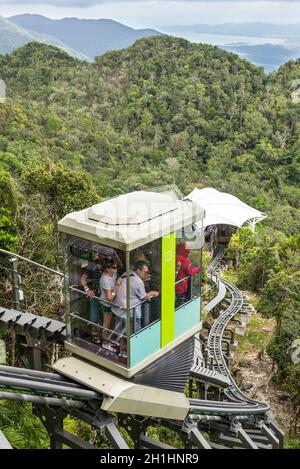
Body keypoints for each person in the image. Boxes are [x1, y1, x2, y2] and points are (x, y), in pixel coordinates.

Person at [112, 261, 159, 356]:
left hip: (118, 310)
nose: (146, 274)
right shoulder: (137, 281)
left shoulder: (126, 273)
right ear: (138, 270)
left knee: (122, 334)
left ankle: (122, 351)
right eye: (145, 272)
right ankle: (136, 354)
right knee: (136, 335)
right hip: (130, 314)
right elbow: (144, 297)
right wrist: (154, 292)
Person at [100, 261, 122, 341]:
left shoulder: (114, 273)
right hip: (107, 304)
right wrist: (117, 285)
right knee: (107, 323)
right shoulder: (105, 280)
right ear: (107, 269)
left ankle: (114, 338)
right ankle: (104, 341)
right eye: (114, 267)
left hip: (114, 302)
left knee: (115, 321)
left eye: (116, 266)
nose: (116, 268)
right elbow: (109, 297)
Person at [175, 242, 200, 307]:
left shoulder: (174, 256)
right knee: (179, 302)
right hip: (180, 286)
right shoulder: (185, 261)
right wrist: (197, 269)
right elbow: (190, 272)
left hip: (172, 284)